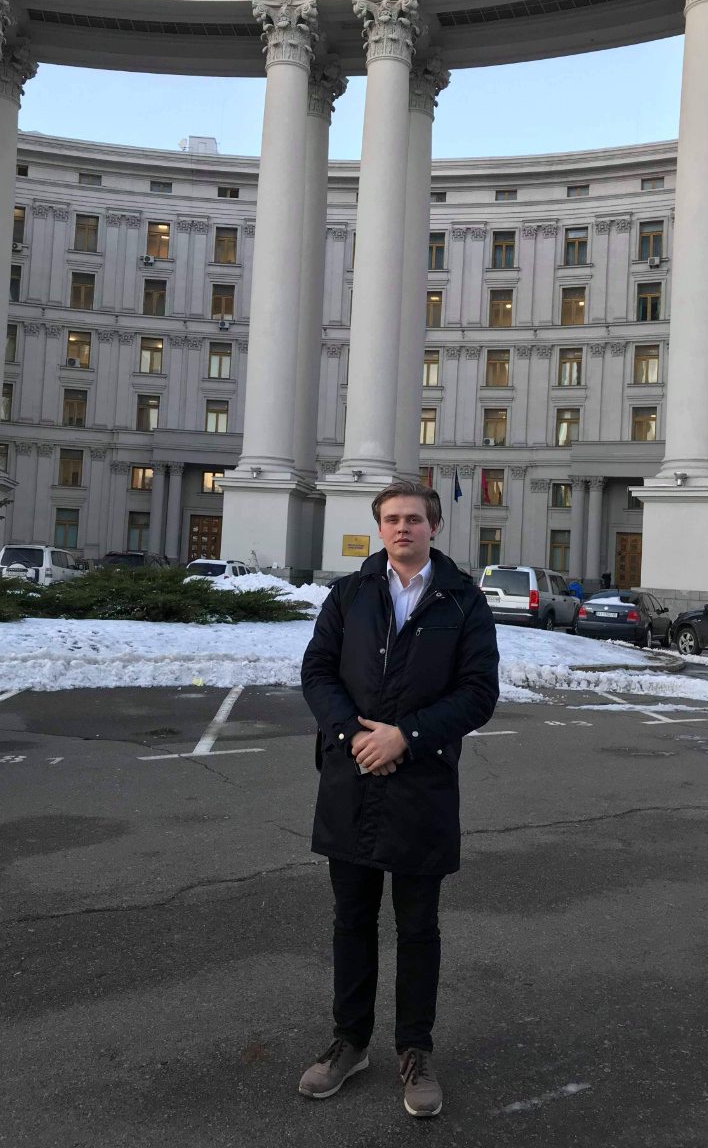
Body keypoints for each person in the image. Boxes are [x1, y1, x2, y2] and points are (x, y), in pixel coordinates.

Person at [299, 479, 499, 1118]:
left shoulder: (463, 601)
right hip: (351, 777)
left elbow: (478, 693)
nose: (402, 527)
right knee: (351, 920)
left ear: (434, 526)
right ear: (379, 526)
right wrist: (353, 735)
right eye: (391, 518)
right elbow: (317, 671)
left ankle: (415, 1050)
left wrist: (405, 737)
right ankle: (350, 1042)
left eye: (414, 518)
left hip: (421, 785)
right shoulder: (350, 593)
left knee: (417, 928)